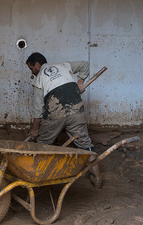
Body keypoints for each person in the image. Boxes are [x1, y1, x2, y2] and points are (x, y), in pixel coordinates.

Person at [25, 52, 102, 188]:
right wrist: (80, 83)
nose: (32, 73)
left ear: (37, 65)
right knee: (86, 145)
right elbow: (85, 65)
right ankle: (98, 180)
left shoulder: (38, 80)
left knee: (42, 145)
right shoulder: (64, 65)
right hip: (76, 111)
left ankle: (35, 179)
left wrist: (35, 130)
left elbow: (38, 110)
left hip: (55, 115)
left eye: (31, 69)